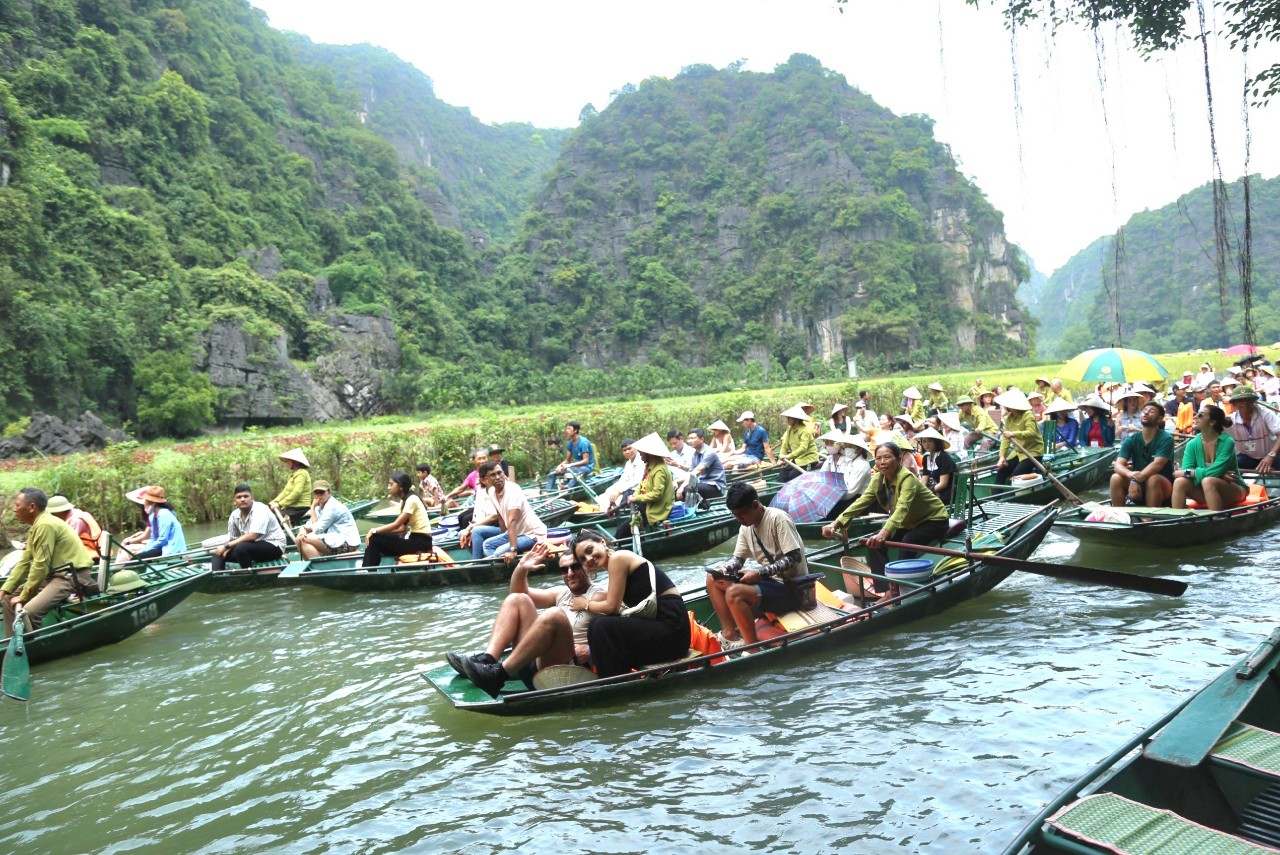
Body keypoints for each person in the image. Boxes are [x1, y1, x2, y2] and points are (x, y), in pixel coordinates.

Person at [449, 542, 608, 697]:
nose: (570, 573)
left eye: (575, 567)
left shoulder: (600, 596)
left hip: (566, 672)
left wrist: (591, 651)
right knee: (517, 599)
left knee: (554, 615)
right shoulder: (561, 593)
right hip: (535, 666)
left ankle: (498, 676)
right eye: (564, 570)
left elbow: (615, 632)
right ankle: (487, 661)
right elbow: (518, 592)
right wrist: (521, 569)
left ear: (587, 566)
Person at [821, 442, 950, 595]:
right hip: (908, 522)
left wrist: (883, 533)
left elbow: (902, 508)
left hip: (933, 520)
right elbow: (860, 503)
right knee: (873, 544)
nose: (882, 462)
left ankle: (904, 589)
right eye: (878, 458)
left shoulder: (907, 478)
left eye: (887, 457)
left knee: (907, 543)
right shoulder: (877, 480)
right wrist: (835, 524)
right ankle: (886, 591)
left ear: (899, 458)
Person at [568, 529, 691, 678]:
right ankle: (616, 680)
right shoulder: (615, 565)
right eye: (582, 559)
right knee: (599, 625)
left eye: (590, 550)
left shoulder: (618, 558)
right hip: (663, 629)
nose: (589, 558)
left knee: (600, 625)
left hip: (673, 630)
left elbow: (611, 606)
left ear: (602, 542)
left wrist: (584, 604)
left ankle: (614, 683)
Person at [707, 481, 810, 650]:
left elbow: (794, 556)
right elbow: (737, 560)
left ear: (755, 505)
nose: (739, 520)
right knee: (713, 579)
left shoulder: (778, 518)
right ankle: (730, 635)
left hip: (792, 589)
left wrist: (760, 573)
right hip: (770, 583)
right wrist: (724, 570)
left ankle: (752, 648)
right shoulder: (746, 527)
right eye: (735, 516)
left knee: (734, 593)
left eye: (742, 515)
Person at [2, 488, 97, 636]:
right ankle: (11, 644)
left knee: (30, 611)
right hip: (54, 576)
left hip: (71, 576)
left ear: (32, 507)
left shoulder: (46, 525)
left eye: (17, 505)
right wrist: (5, 589)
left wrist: (25, 595)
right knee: (8, 599)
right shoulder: (37, 526)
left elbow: (40, 565)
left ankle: (33, 648)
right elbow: (25, 562)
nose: (14, 510)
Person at [1173, 405, 1248, 510]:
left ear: (1212, 422)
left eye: (1201, 415)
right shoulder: (1192, 444)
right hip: (1204, 490)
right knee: (1179, 482)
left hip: (1233, 489)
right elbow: (1187, 470)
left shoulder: (1227, 441)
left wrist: (1193, 473)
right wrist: (1220, 474)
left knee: (1208, 481)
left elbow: (1215, 470)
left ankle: (1216, 519)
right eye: (1196, 414)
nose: (1195, 417)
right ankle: (1177, 521)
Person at [1110, 402, 1176, 507]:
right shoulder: (1132, 439)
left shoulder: (1166, 438)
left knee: (1153, 479)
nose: (1146, 413)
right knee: (1115, 478)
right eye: (1144, 411)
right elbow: (1118, 465)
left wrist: (1135, 480)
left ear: (1159, 419)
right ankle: (1119, 515)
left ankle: (1149, 518)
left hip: (1162, 487)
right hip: (1137, 485)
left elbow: (1157, 465)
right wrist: (1129, 474)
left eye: (1151, 411)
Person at [361, 472, 432, 568]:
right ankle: (368, 569)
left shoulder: (412, 499)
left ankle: (368, 570)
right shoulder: (405, 500)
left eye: (391, 484)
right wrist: (379, 532)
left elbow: (396, 525)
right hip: (414, 539)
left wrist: (374, 530)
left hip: (422, 543)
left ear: (401, 486)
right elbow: (402, 529)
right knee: (375, 537)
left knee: (374, 537)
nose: (388, 487)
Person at [211, 484, 288, 572]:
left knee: (241, 547)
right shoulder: (234, 515)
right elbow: (233, 539)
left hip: (274, 546)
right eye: (239, 497)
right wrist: (225, 550)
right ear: (234, 501)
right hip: (251, 547)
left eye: (246, 496)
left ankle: (249, 575)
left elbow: (253, 535)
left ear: (252, 498)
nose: (243, 499)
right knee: (218, 553)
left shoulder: (260, 509)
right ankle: (217, 577)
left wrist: (226, 546)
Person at [482, 462, 547, 560]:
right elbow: (500, 517)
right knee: (487, 545)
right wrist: (505, 535)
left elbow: (512, 521)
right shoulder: (491, 492)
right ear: (486, 480)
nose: (498, 477)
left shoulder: (513, 490)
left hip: (532, 534)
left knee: (499, 552)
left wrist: (513, 550)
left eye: (499, 473)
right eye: (493, 475)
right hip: (515, 533)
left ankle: (509, 569)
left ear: (504, 474)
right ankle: (504, 567)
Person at [618, 433, 674, 539]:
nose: (640, 455)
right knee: (624, 526)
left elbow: (657, 494)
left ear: (649, 454)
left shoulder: (659, 469)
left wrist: (636, 498)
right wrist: (634, 496)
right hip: (648, 504)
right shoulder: (649, 466)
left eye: (642, 453)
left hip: (658, 508)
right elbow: (641, 485)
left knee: (622, 531)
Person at [297, 481, 360, 560]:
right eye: (317, 492)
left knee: (304, 539)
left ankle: (318, 566)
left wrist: (312, 508)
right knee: (300, 538)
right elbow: (310, 524)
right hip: (334, 539)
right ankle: (312, 567)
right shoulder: (319, 507)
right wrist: (302, 529)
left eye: (322, 492)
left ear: (329, 493)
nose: (319, 495)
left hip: (347, 543)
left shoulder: (332, 506)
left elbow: (317, 529)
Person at [994, 389, 1044, 485]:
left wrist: (1014, 434)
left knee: (1016, 476)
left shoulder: (1028, 415)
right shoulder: (1009, 418)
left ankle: (1013, 497)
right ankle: (995, 500)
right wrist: (1002, 456)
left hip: (1033, 452)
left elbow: (1031, 432)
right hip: (1018, 452)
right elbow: (1005, 439)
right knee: (1001, 473)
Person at [1225, 386, 1280, 472]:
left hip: (1271, 454)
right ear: (1234, 403)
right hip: (1247, 457)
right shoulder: (1230, 420)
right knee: (1229, 469)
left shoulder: (1265, 413)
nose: (1245, 403)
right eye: (1240, 400)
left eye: (1248, 399)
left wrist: (1271, 455)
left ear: (1254, 401)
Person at [127, 486, 187, 560]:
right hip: (162, 547)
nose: (144, 504)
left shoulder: (164, 514)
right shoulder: (152, 516)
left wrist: (143, 551)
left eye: (146, 501)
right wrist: (144, 550)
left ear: (153, 503)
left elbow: (162, 540)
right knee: (138, 557)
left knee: (137, 559)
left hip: (171, 548)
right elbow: (153, 538)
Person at [459, 467, 501, 559]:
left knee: (476, 531)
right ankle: (480, 557)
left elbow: (494, 516)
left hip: (500, 527)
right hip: (488, 525)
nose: (477, 481)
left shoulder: (494, 490)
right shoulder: (481, 490)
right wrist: (470, 528)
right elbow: (477, 514)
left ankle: (477, 561)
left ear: (485, 479)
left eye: (479, 478)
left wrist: (472, 527)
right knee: (462, 533)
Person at [45, 494, 103, 559]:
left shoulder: (75, 521)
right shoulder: (73, 513)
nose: (52, 515)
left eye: (53, 513)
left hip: (90, 556)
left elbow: (68, 543)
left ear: (59, 511)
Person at [599, 438, 645, 515]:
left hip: (637, 490)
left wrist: (619, 491)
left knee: (619, 499)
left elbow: (636, 480)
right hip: (627, 488)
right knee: (606, 493)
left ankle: (617, 514)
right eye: (624, 450)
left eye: (629, 448)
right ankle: (607, 513)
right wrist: (615, 490)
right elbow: (623, 479)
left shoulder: (641, 461)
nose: (627, 452)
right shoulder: (628, 464)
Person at [776, 404, 820, 482]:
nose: (787, 419)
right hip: (797, 459)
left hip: (808, 460)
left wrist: (788, 456)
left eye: (789, 418)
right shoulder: (790, 429)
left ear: (795, 419)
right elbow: (785, 445)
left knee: (792, 477)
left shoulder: (804, 431)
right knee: (781, 477)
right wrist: (781, 457)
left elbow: (803, 448)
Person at [545, 421, 595, 491]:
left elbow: (586, 461)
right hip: (576, 467)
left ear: (575, 430)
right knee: (553, 471)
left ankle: (567, 486)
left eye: (569, 429)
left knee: (582, 470)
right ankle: (548, 491)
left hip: (587, 468)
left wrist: (570, 465)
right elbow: (567, 460)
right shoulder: (570, 443)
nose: (567, 431)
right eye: (566, 429)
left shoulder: (584, 443)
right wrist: (559, 466)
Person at [270, 448, 313, 526]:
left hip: (300, 508)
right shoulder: (294, 474)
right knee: (268, 514)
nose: (287, 463)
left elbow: (297, 492)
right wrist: (274, 502)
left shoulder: (302, 473)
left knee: (274, 519)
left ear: (295, 462)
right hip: (292, 507)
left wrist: (280, 504)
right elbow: (285, 492)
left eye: (288, 461)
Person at [915, 428, 957, 506]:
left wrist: (927, 492)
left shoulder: (944, 457)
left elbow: (943, 484)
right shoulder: (926, 458)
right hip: (935, 492)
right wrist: (919, 491)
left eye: (930, 441)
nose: (926, 444)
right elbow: (924, 481)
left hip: (948, 494)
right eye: (924, 441)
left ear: (936, 442)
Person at [683, 427, 726, 501]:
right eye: (689, 439)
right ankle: (689, 507)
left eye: (693, 438)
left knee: (689, 488)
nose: (690, 441)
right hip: (703, 484)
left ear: (702, 439)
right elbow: (691, 473)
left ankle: (693, 509)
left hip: (715, 486)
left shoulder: (709, 452)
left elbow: (697, 471)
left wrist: (682, 487)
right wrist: (676, 483)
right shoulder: (695, 455)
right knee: (678, 487)